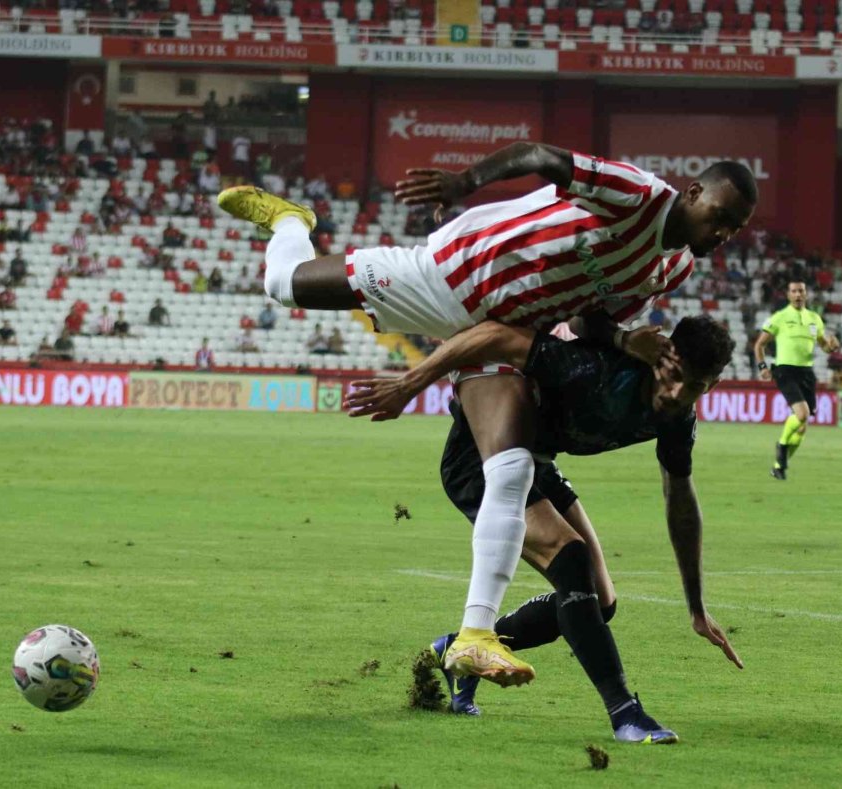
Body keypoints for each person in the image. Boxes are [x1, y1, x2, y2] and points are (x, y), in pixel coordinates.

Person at [218, 141, 757, 686]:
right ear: (693, 193)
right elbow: (541, 156)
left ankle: (475, 636)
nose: (723, 234)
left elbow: (591, 316)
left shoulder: (671, 268)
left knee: (513, 467)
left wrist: (620, 336)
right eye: (720, 217)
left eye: (734, 228)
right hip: (445, 280)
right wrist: (462, 182)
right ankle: (291, 220)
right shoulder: (636, 194)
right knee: (284, 285)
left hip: (507, 329)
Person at [347, 315, 742, 742]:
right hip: (479, 458)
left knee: (601, 602)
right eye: (675, 376)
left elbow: (680, 503)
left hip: (537, 466)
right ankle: (625, 713)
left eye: (696, 387)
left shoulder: (678, 418)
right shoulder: (591, 368)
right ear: (662, 354)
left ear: (714, 385)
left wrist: (696, 607)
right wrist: (409, 385)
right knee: (570, 558)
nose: (677, 393)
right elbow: (495, 335)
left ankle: (457, 651)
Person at [754, 281, 839, 480]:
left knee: (802, 426)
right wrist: (763, 367)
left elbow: (824, 346)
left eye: (801, 290)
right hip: (785, 371)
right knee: (802, 414)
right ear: (788, 294)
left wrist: (832, 347)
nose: (798, 294)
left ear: (806, 294)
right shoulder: (780, 317)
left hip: (807, 373)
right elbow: (759, 345)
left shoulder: (814, 319)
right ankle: (782, 446)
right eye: (794, 291)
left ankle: (778, 466)